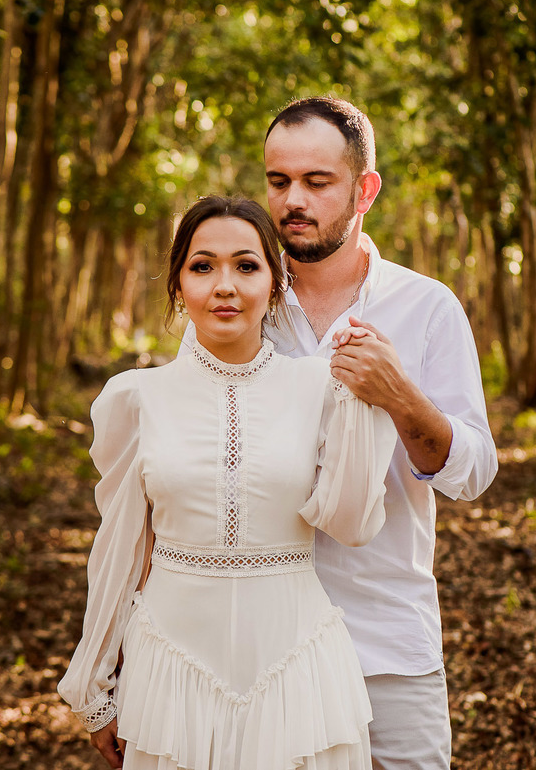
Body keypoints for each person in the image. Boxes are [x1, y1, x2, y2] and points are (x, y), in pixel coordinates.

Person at [59, 195, 399, 770]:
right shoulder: (137, 398)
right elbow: (120, 550)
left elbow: (352, 523)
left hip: (297, 672)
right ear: (177, 285)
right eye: (202, 266)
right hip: (170, 673)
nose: (224, 285)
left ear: (274, 283)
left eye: (246, 265)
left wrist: (366, 400)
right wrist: (97, 684)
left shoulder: (324, 387)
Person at [251, 95, 498, 769]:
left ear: (364, 189)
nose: (292, 199)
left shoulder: (426, 308)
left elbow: (474, 472)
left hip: (389, 648)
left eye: (316, 182)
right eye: (278, 181)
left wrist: (403, 401)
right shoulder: (241, 307)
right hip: (257, 651)